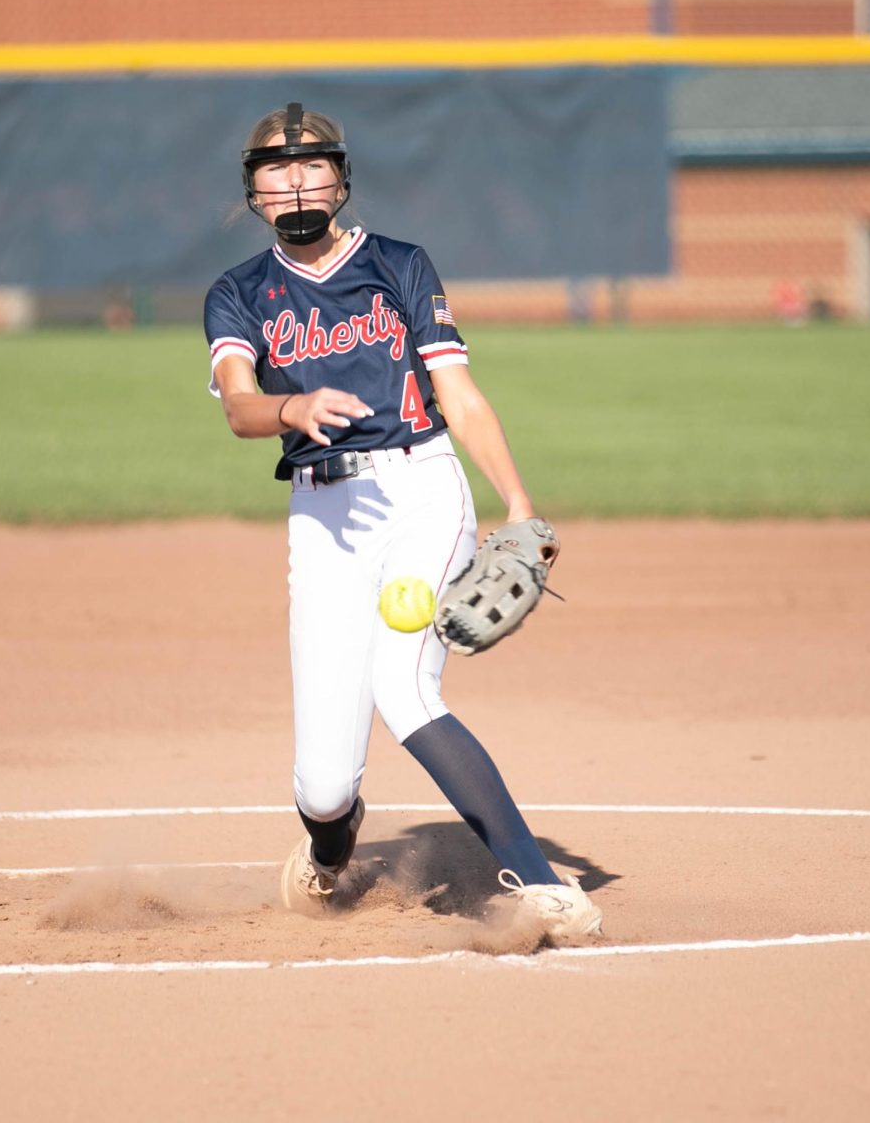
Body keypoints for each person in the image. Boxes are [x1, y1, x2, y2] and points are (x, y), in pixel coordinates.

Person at [203, 103, 602, 943]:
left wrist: (520, 506)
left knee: (405, 687)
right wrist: (293, 405)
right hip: (322, 516)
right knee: (321, 787)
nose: (298, 181)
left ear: (341, 177)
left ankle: (542, 883)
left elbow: (457, 394)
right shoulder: (239, 293)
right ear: (254, 189)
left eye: (314, 166)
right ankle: (329, 844)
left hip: (421, 487)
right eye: (279, 169)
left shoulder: (400, 266)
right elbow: (240, 407)